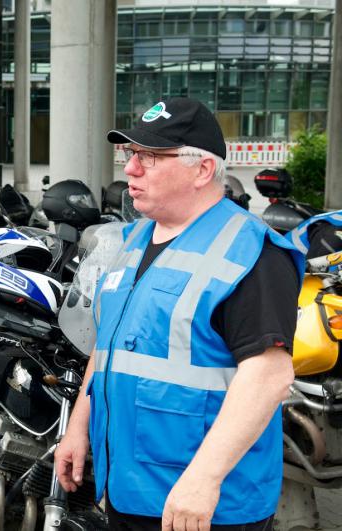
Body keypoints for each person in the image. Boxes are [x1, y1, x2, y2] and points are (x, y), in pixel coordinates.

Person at [54, 97, 303, 531]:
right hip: (130, 489)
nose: (130, 169)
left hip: (202, 505)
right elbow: (108, 345)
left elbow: (268, 377)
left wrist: (203, 480)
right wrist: (78, 428)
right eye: (131, 155)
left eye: (149, 157)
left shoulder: (251, 252)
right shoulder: (133, 240)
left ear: (203, 170)